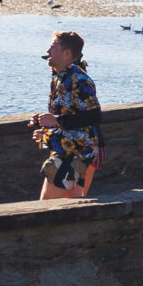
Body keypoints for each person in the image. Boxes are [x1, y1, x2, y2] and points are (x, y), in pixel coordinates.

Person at [30, 30, 104, 200]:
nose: (47, 52)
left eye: (53, 47)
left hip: (76, 153)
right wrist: (44, 123)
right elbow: (67, 113)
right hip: (66, 150)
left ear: (67, 53)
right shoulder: (59, 77)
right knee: (72, 203)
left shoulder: (80, 80)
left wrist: (56, 120)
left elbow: (94, 116)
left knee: (47, 206)